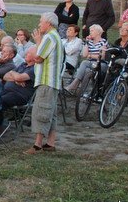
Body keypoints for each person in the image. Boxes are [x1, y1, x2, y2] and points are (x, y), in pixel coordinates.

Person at [25, 12, 64, 154]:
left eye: (41, 22)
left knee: (41, 111)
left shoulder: (48, 37)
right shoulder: (56, 37)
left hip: (46, 80)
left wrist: (38, 42)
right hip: (53, 81)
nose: (39, 24)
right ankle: (50, 142)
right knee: (51, 112)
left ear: (48, 23)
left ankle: (37, 145)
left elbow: (38, 57)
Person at [65, 24, 108, 94]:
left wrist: (90, 55)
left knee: (84, 63)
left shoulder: (103, 41)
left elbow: (101, 56)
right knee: (87, 70)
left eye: (92, 31)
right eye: (90, 31)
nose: (90, 33)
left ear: (98, 32)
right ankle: (84, 92)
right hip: (91, 63)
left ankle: (75, 83)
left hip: (100, 63)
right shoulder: (90, 42)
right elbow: (85, 55)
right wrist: (87, 43)